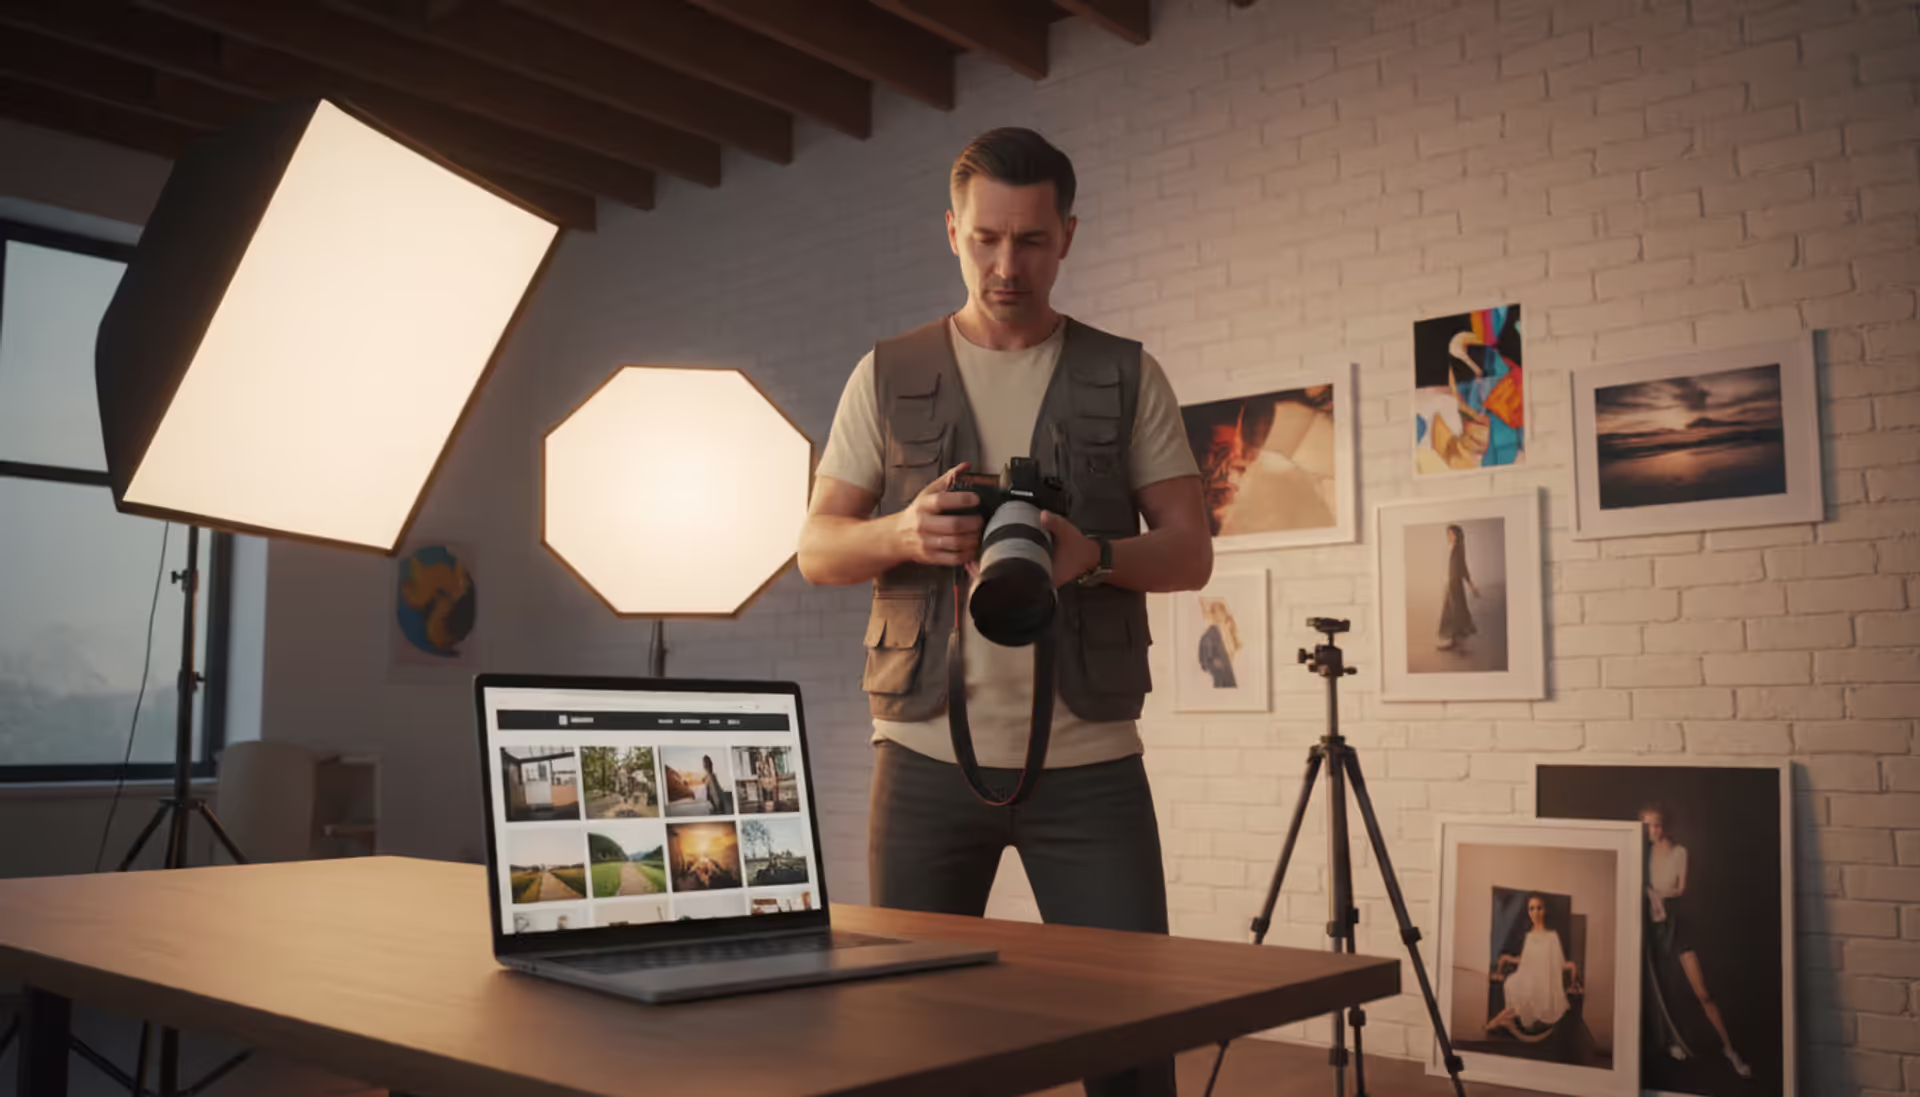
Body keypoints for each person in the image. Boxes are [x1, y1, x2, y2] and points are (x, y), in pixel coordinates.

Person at [797, 127, 1211, 1097]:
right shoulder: (883, 372)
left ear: (1067, 235)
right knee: (908, 1045)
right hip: (922, 758)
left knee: (1133, 1046)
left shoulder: (1128, 371)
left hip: (1091, 766)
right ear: (951, 230)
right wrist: (901, 533)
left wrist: (1095, 555)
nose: (1006, 263)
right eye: (986, 237)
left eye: (1030, 239)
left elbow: (1190, 550)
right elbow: (817, 547)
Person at [1642, 803, 1752, 1079]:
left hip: (1677, 925)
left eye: (1656, 824)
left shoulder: (1681, 852)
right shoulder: (1642, 855)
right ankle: (1671, 1043)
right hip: (1653, 928)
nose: (1652, 830)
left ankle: (1730, 1050)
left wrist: (1654, 893)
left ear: (1665, 825)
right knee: (1661, 993)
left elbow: (1680, 888)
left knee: (1703, 992)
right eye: (1647, 825)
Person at [1487, 893, 1579, 1041]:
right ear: (1528, 911)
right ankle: (1499, 1023)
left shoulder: (1552, 936)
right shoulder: (1529, 935)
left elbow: (1559, 962)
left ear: (1545, 910)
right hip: (1528, 976)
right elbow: (1525, 960)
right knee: (1512, 982)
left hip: (1544, 981)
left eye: (1539, 908)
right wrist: (1506, 958)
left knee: (1528, 990)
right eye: (1531, 909)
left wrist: (1572, 976)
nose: (1535, 912)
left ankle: (1496, 1023)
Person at [1437, 524, 1480, 651]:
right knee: (1453, 611)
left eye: (1451, 534)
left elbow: (1463, 569)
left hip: (1455, 586)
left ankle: (1457, 644)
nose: (1448, 536)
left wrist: (1472, 586)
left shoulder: (1458, 549)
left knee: (1455, 612)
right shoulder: (1455, 548)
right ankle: (1456, 642)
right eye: (1448, 534)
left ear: (1457, 536)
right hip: (1452, 584)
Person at [1197, 598, 1240, 688]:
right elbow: (1205, 663)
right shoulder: (1208, 637)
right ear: (1214, 615)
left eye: (1223, 611)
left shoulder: (1226, 632)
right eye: (1220, 612)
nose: (1224, 614)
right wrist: (1220, 667)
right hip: (1220, 682)